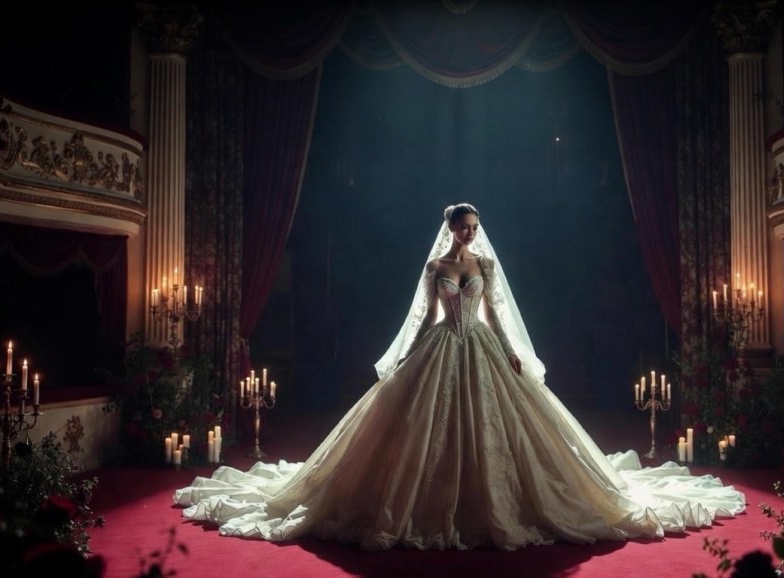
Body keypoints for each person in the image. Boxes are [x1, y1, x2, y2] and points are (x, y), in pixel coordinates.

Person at [174, 202, 745, 551]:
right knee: (422, 428)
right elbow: (425, 317)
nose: (470, 234)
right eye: (464, 228)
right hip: (442, 344)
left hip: (484, 346)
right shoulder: (436, 266)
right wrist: (405, 358)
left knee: (506, 429)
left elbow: (495, 314)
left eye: (474, 228)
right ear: (449, 229)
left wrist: (513, 353)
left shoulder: (485, 265)